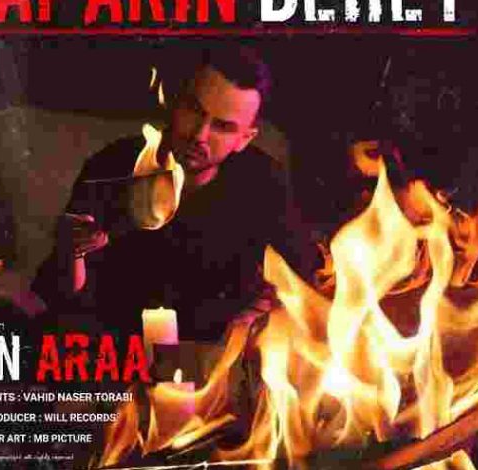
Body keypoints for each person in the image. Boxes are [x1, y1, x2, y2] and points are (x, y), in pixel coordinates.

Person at [32, 45, 315, 341]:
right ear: (175, 102)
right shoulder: (113, 165)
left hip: (213, 353)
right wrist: (71, 252)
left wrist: (268, 308)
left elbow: (301, 279)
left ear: (245, 138)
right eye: (194, 110)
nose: (199, 135)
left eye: (222, 126)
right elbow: (63, 297)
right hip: (117, 347)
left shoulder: (263, 180)